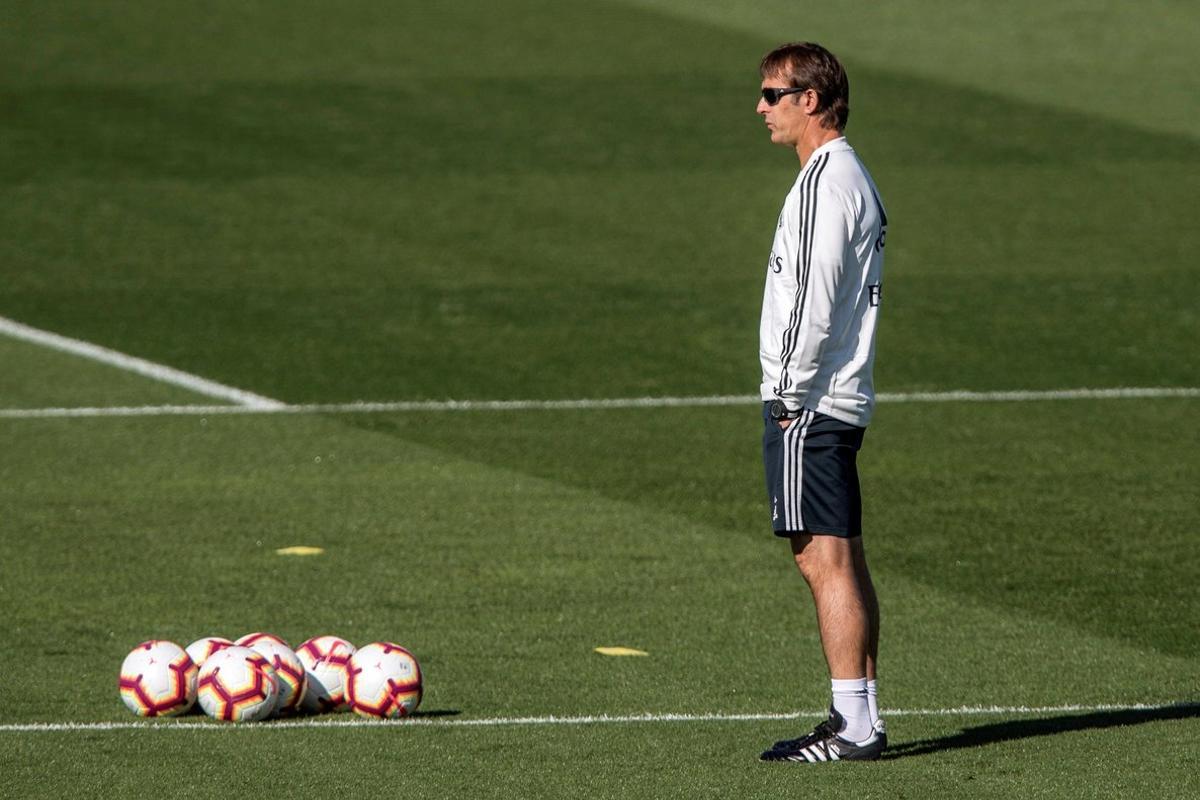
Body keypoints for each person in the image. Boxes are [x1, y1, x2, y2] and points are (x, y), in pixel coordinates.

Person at [754, 41, 889, 763]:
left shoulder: (823, 186)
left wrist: (788, 394)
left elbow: (811, 299)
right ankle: (859, 713)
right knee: (842, 555)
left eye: (773, 94)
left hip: (812, 400)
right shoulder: (846, 177)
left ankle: (854, 725)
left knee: (822, 558)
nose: (761, 108)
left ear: (811, 99)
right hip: (838, 396)